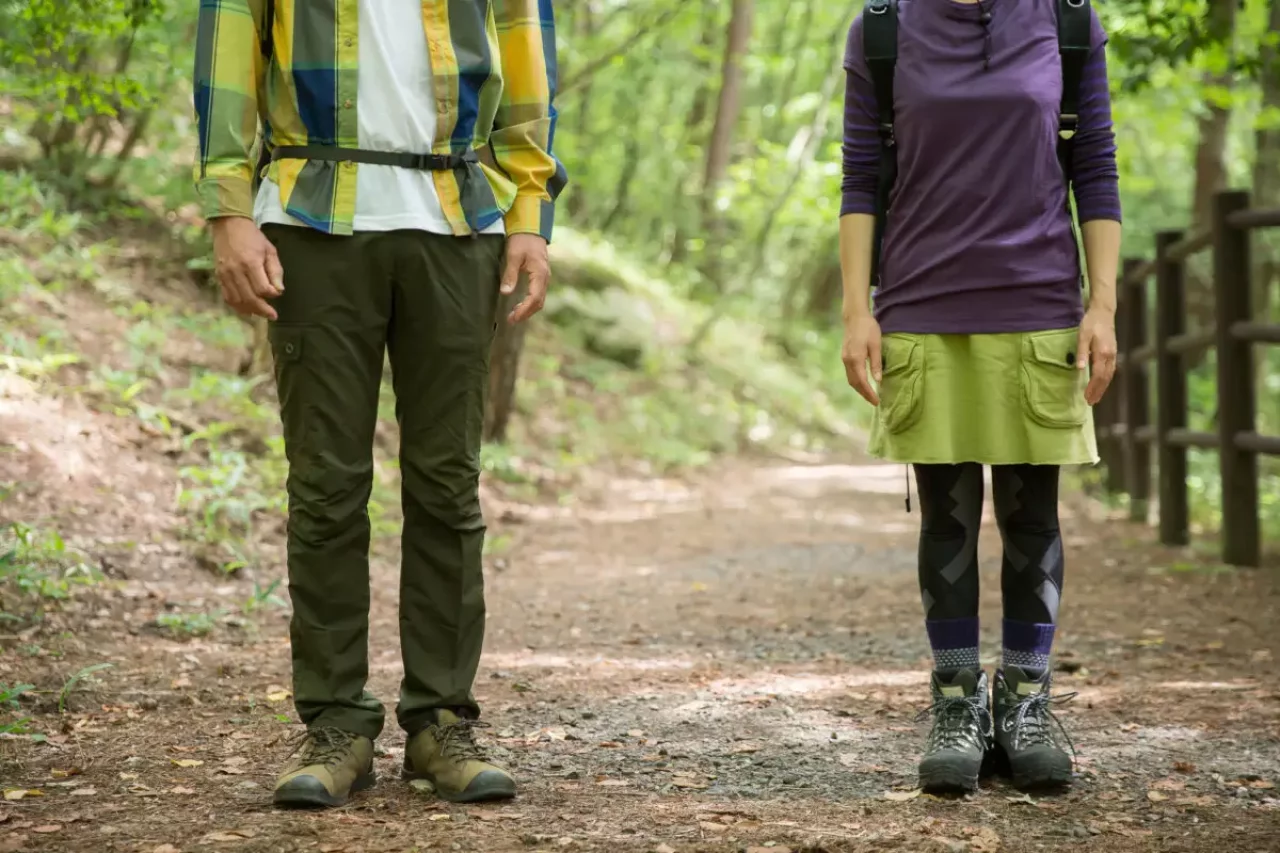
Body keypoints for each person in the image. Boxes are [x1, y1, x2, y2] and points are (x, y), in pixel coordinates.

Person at [193, 0, 567, 809]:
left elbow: (525, 58)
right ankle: (336, 725)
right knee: (325, 487)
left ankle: (440, 723)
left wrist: (531, 212)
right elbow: (228, 51)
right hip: (308, 215)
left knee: (447, 483)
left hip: (458, 222)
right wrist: (227, 206)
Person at [839, 0, 1120, 793]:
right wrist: (858, 309)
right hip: (924, 307)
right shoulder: (883, 29)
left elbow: (1095, 164)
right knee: (949, 516)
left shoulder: (1066, 22)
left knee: (1034, 514)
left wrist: (1102, 306)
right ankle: (958, 704)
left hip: (1039, 305)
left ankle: (1026, 702)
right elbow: (861, 175)